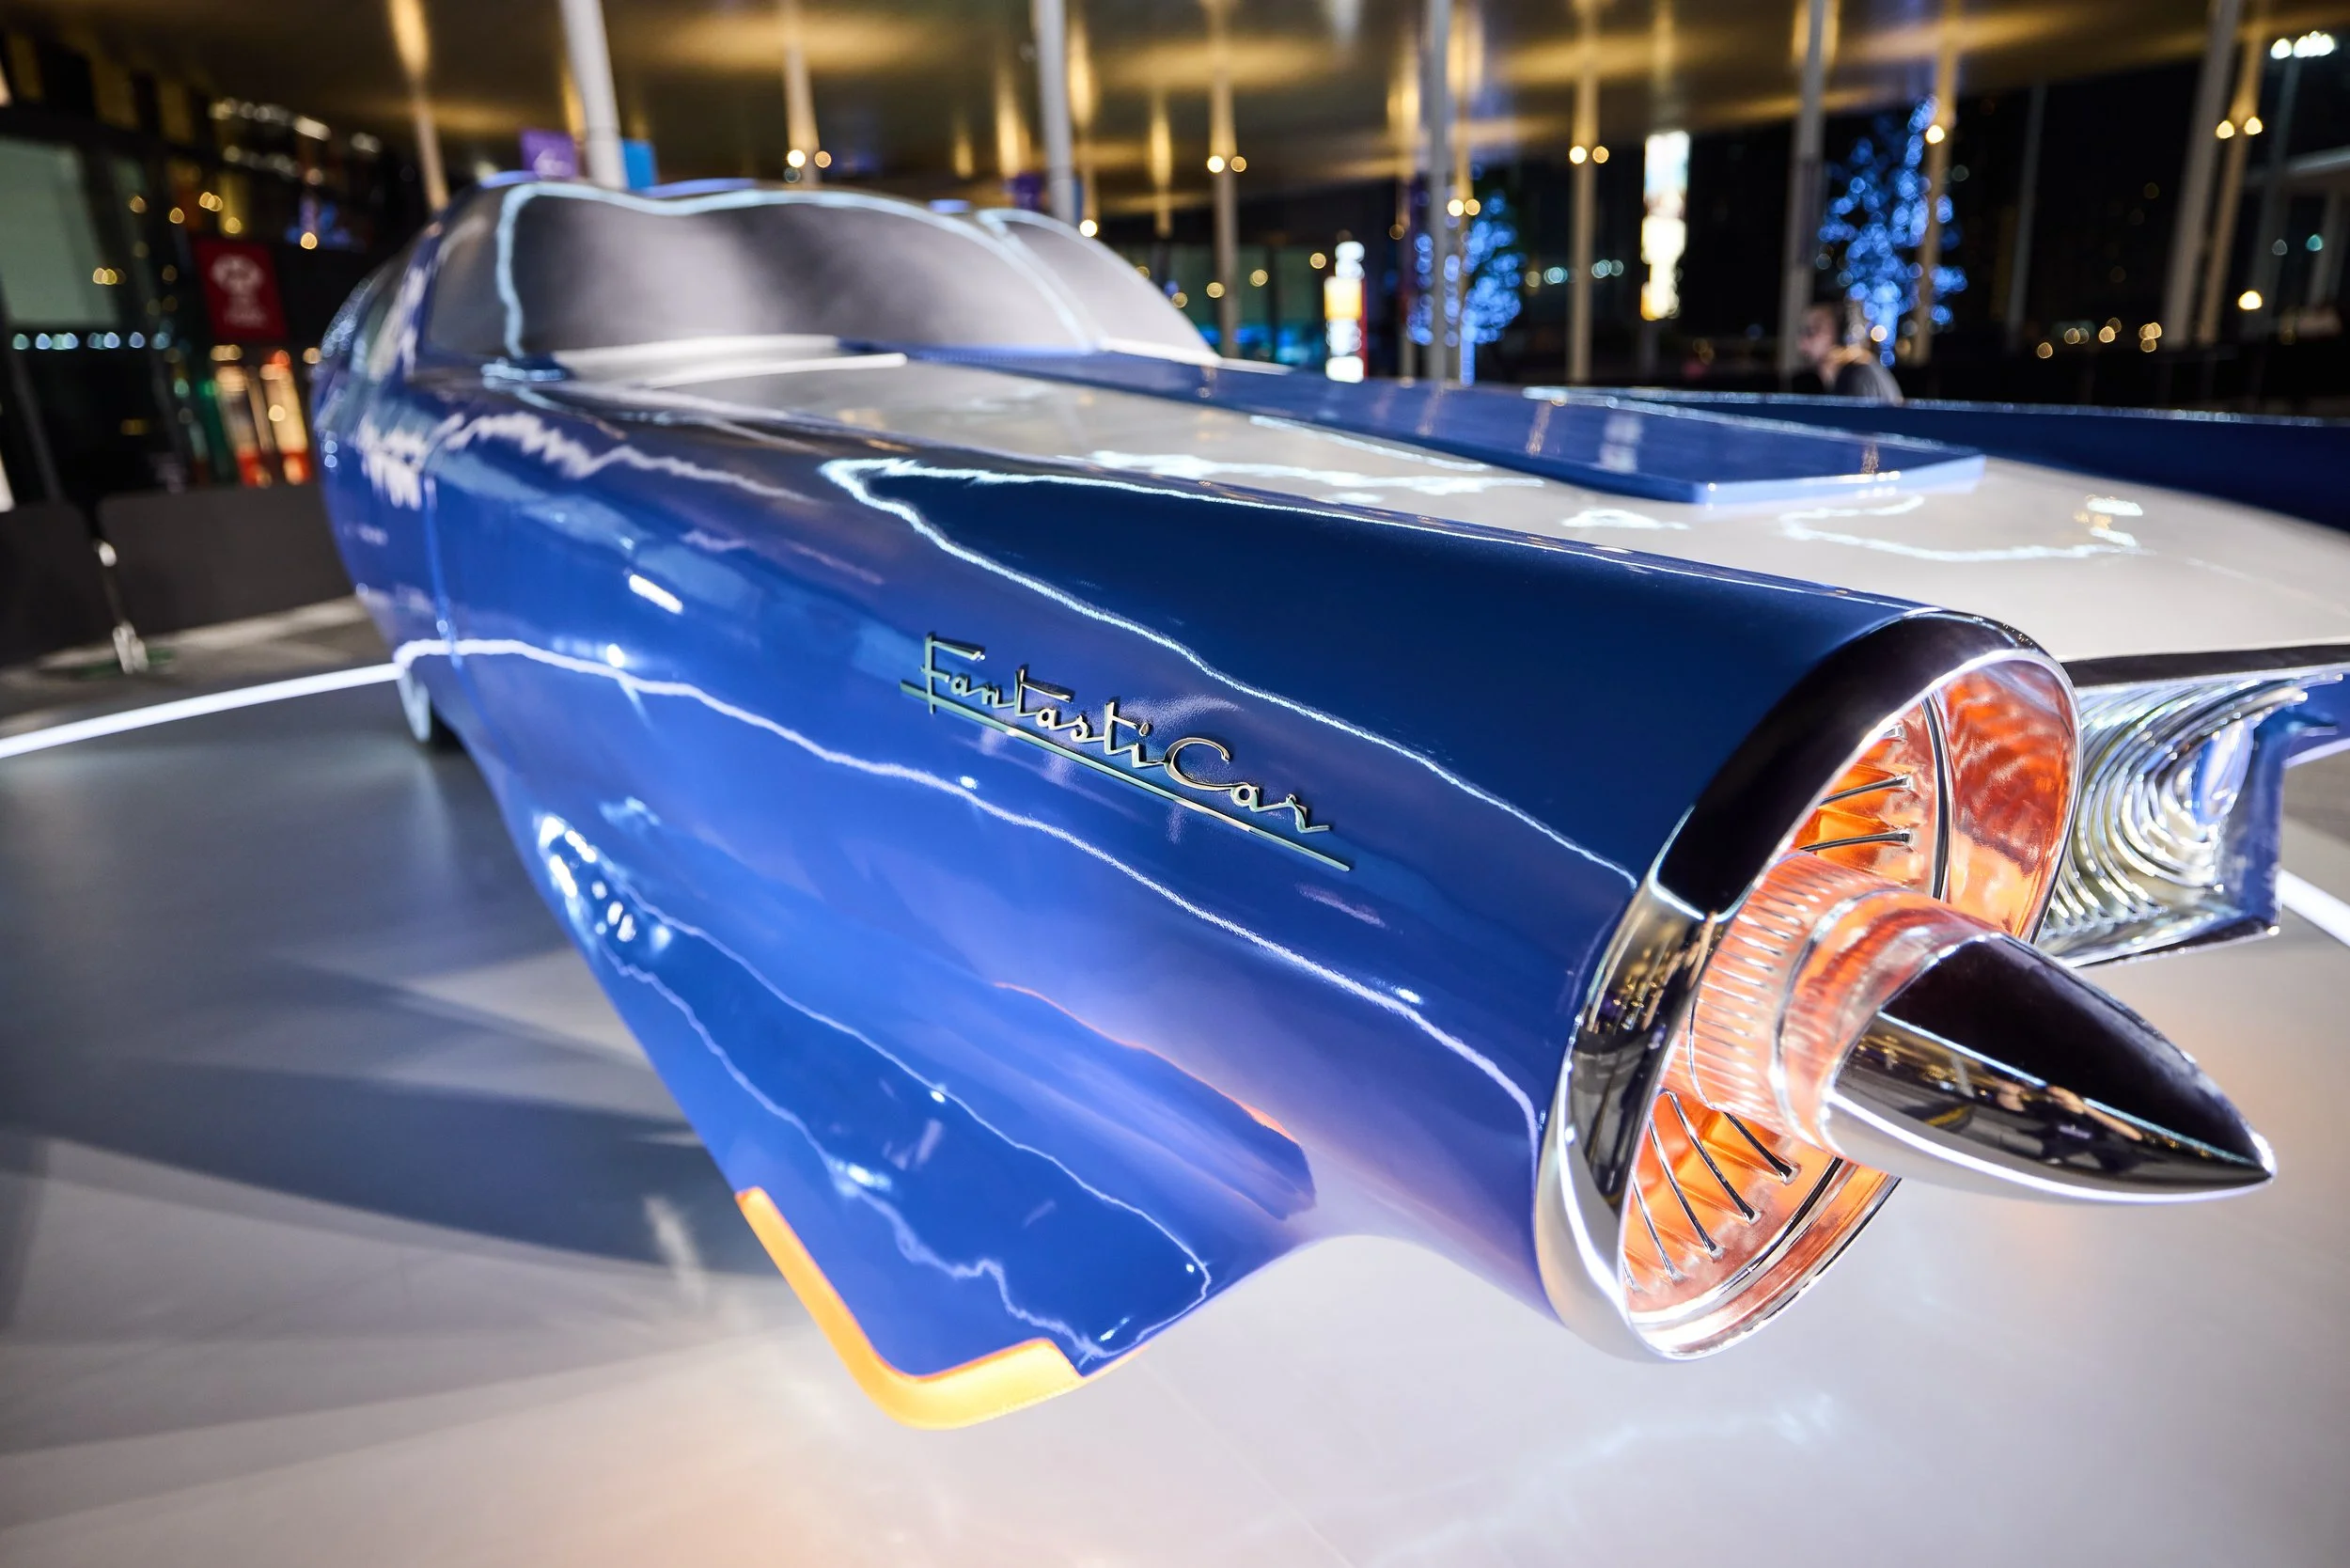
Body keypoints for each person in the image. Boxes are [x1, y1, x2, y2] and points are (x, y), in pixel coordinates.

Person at [1797, 302, 1904, 402]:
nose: (1804, 339)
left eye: (1813, 330)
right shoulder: (1861, 371)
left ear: (1840, 334)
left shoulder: (1857, 378)